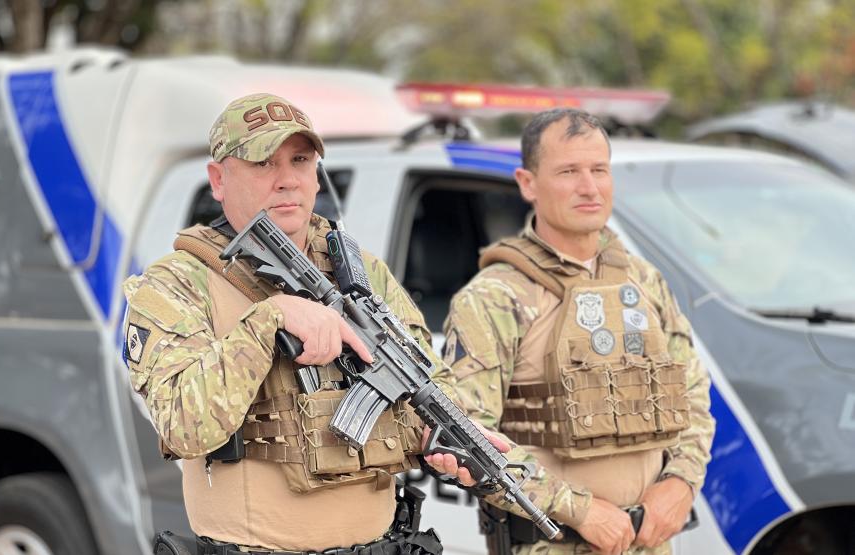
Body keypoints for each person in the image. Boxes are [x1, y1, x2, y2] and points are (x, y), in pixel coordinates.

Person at [122, 93, 448, 555]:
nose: (286, 181)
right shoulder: (178, 282)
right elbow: (183, 426)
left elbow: (427, 379)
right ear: (218, 180)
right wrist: (269, 319)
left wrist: (444, 438)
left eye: (300, 160)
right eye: (263, 163)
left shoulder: (361, 272)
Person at [428, 108, 715, 555]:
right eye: (568, 171)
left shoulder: (643, 281)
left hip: (650, 544)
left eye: (599, 169)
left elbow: (692, 392)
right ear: (527, 183)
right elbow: (465, 436)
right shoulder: (495, 297)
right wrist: (579, 510)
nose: (589, 187)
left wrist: (681, 481)